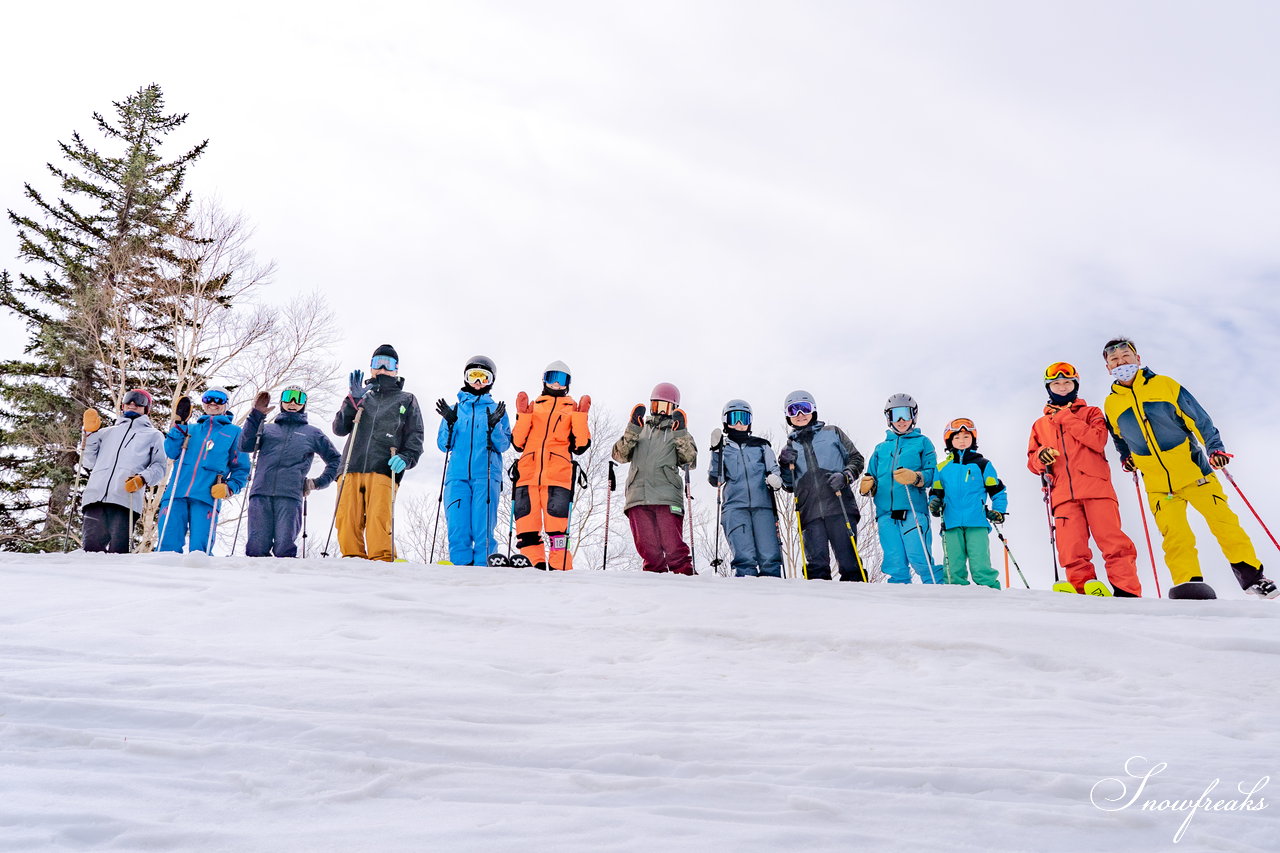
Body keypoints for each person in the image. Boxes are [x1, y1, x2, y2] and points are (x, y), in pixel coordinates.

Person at [1102, 338, 1276, 600]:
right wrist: (1126, 456)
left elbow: (1199, 418)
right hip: (1158, 484)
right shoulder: (1111, 403)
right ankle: (1188, 585)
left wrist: (1214, 448)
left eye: (1126, 356)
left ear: (1138, 359)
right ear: (1108, 368)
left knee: (1225, 525)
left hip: (1195, 473)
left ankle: (1254, 578)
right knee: (1175, 536)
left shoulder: (1165, 385)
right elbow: (1118, 436)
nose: (1121, 362)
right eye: (1114, 360)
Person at [1027, 361, 1142, 596]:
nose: (1062, 386)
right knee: (1071, 549)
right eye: (1056, 383)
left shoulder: (1092, 413)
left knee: (1113, 543)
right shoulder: (1040, 425)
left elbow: (1097, 440)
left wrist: (1066, 417)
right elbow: (1032, 461)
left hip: (1096, 489)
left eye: (1067, 382)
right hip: (1062, 495)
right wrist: (1042, 456)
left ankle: (1126, 591)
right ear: (1049, 388)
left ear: (1075, 385)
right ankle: (1082, 592)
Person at [332, 344, 425, 561]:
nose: (382, 368)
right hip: (350, 467)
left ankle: (382, 562)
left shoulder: (406, 399)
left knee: (378, 520)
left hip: (384, 468)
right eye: (377, 363)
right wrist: (351, 401)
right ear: (371, 367)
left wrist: (406, 457)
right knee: (347, 520)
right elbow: (339, 428)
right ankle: (351, 560)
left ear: (396, 369)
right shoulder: (362, 396)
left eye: (388, 364)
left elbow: (415, 437)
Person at [240, 384, 342, 558]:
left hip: (290, 495)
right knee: (256, 548)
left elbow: (336, 460)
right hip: (260, 492)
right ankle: (254, 583)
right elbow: (245, 445)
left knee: (283, 548)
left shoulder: (312, 433)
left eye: (299, 398)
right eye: (288, 397)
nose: (293, 402)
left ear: (304, 404)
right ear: (281, 401)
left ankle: (284, 583)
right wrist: (256, 416)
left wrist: (317, 483)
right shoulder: (266, 428)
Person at [510, 360, 591, 570]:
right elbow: (518, 443)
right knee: (527, 529)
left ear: (568, 384)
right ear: (544, 380)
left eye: (561, 380)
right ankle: (532, 567)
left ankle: (560, 570)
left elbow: (581, 445)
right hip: (528, 474)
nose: (556, 384)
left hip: (558, 475)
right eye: (551, 378)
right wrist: (524, 416)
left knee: (557, 532)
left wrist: (581, 417)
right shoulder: (534, 406)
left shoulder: (572, 408)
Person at [778, 390, 866, 581]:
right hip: (809, 512)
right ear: (788, 416)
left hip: (839, 504)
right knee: (817, 568)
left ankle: (859, 603)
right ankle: (819, 608)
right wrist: (784, 465)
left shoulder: (832, 433)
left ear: (814, 410)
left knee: (849, 562)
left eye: (805, 408)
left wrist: (845, 476)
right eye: (794, 410)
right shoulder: (789, 448)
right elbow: (788, 484)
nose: (800, 415)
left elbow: (856, 459)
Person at [612, 382, 698, 575]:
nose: (659, 411)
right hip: (637, 495)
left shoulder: (677, 432)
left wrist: (681, 433)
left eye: (665, 407)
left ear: (673, 409)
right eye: (656, 405)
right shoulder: (640, 429)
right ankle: (653, 581)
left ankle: (685, 577)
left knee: (672, 544)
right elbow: (619, 455)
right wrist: (633, 428)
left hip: (666, 496)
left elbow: (689, 461)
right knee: (647, 546)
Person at [435, 355, 513, 566]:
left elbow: (503, 445)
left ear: (491, 381)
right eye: (474, 376)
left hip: (486, 476)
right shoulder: (454, 409)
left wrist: (494, 425)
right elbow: (444, 445)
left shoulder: (497, 410)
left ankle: (484, 571)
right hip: (457, 477)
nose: (478, 382)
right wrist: (450, 424)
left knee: (483, 529)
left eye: (484, 377)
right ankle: (460, 573)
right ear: (466, 378)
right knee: (458, 529)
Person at [860, 393, 943, 584]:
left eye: (905, 414)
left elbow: (932, 474)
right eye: (895, 414)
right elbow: (870, 476)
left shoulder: (922, 442)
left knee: (919, 558)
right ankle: (898, 604)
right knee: (894, 562)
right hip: (885, 513)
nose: (901, 420)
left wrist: (915, 477)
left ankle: (938, 592)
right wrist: (867, 486)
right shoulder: (880, 448)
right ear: (888, 418)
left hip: (912, 509)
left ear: (913, 415)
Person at [158, 387, 251, 553]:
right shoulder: (189, 429)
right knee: (167, 544)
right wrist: (178, 425)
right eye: (209, 399)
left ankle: (198, 577)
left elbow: (241, 469)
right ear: (203, 403)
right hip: (176, 493)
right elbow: (171, 452)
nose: (213, 403)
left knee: (200, 549)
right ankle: (163, 577)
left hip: (207, 495)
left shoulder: (235, 432)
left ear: (226, 404)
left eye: (219, 399)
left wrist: (229, 488)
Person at [79, 388, 168, 553]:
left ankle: (116, 578)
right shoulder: (105, 433)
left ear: (146, 408)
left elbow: (160, 467)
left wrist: (142, 478)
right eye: (129, 399)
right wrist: (89, 435)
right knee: (90, 550)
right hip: (95, 498)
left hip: (125, 500)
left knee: (119, 552)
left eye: (140, 400)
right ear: (123, 405)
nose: (133, 403)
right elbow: (89, 462)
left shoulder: (154, 435)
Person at [708, 399, 784, 577]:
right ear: (726, 421)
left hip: (763, 506)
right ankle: (746, 595)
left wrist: (775, 479)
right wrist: (715, 450)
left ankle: (773, 590)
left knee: (769, 555)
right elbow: (716, 479)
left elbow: (774, 469)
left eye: (744, 418)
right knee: (744, 557)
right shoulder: (723, 447)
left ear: (750, 421)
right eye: (734, 418)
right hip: (735, 507)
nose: (740, 424)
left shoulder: (761, 445)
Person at [929, 418, 1007, 589]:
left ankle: (991, 593)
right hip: (951, 523)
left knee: (980, 564)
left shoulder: (983, 464)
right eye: (957, 437)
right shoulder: (942, 468)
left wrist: (998, 511)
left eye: (966, 436)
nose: (962, 441)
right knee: (953, 566)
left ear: (973, 439)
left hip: (976, 522)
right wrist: (934, 504)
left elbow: (997, 491)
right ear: (950, 441)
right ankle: (955, 598)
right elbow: (936, 493)